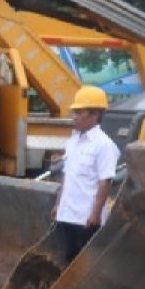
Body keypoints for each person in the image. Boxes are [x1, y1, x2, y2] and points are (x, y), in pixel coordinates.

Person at [51, 85, 120, 262]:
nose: (74, 117)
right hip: (67, 214)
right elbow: (67, 175)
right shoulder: (74, 141)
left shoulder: (104, 145)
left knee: (84, 263)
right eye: (74, 112)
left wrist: (95, 214)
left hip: (86, 219)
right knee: (69, 259)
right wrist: (59, 204)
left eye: (79, 112)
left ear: (95, 114)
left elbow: (105, 182)